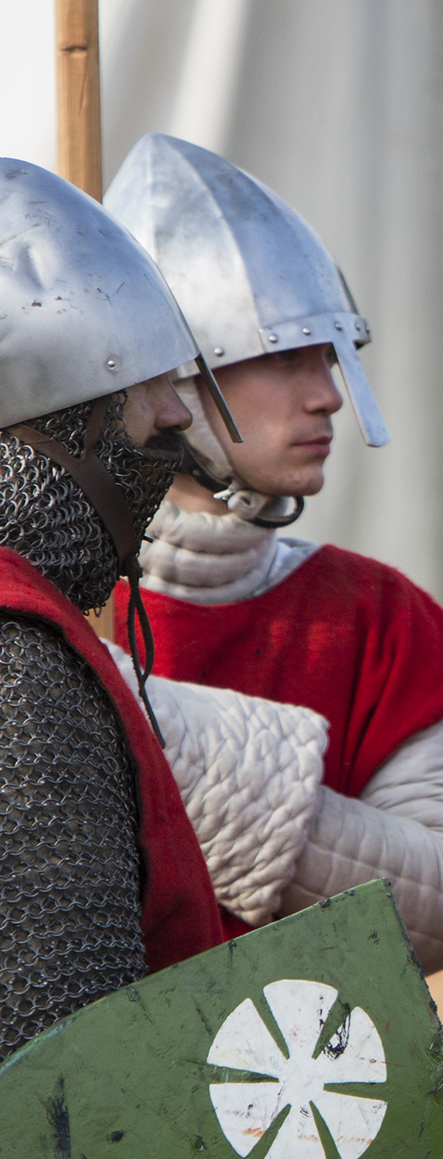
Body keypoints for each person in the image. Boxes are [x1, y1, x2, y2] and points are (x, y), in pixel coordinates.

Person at [103, 135, 443, 973]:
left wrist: (150, 731)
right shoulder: (49, 610)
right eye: (281, 359)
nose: (326, 394)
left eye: (326, 355)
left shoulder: (371, 616)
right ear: (174, 377)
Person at [0, 159, 227, 1055]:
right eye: (145, 380)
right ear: (59, 413)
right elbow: (73, 1073)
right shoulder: (16, 664)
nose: (177, 414)